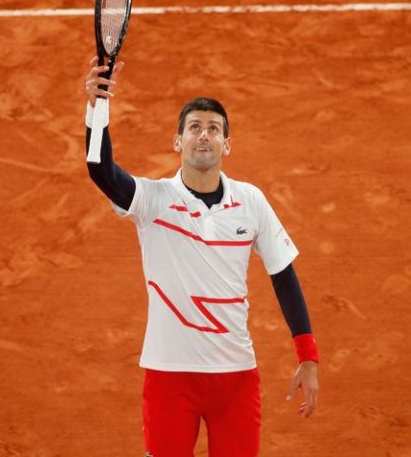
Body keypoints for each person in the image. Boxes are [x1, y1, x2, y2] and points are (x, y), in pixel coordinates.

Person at [83, 57, 319, 457]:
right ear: (178, 141)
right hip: (168, 376)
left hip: (236, 377)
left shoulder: (251, 201)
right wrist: (97, 107)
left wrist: (308, 356)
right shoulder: (153, 201)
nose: (204, 135)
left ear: (227, 144)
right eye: (194, 128)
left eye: (214, 129)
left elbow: (283, 276)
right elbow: (101, 171)